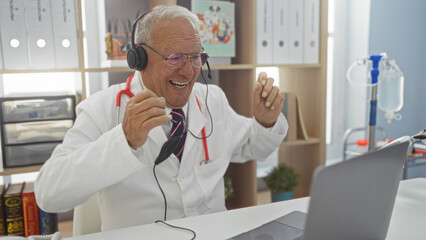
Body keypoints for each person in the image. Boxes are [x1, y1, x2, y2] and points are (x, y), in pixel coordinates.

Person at [35, 5, 288, 232]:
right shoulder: (102, 109)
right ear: (139, 59)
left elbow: (250, 147)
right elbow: (49, 194)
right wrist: (124, 141)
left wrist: (266, 122)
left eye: (196, 57)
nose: (189, 71)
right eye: (175, 57)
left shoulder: (212, 100)